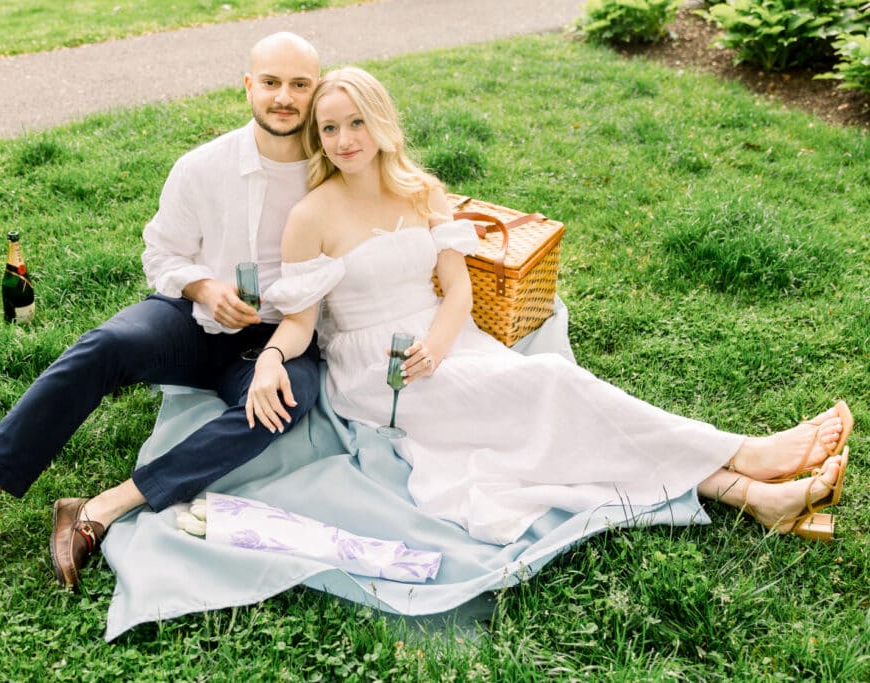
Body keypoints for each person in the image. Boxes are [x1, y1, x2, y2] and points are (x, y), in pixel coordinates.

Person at [244, 66, 854, 548]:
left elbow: (457, 289)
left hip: (448, 338)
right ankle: (744, 454)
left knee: (553, 416)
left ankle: (750, 494)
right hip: (378, 373)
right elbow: (301, 322)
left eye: (356, 123)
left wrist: (440, 341)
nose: (345, 140)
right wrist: (272, 358)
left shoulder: (421, 191)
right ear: (317, 137)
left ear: (380, 123)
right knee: (552, 385)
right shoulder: (311, 216)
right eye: (329, 129)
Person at [0, 32, 323, 602]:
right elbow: (160, 254)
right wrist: (203, 286)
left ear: (317, 91)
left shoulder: (331, 173)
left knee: (284, 401)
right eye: (272, 83)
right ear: (249, 86)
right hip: (192, 318)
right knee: (103, 345)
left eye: (299, 85)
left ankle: (101, 507)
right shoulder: (202, 166)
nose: (284, 97)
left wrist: (279, 353)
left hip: (280, 336)